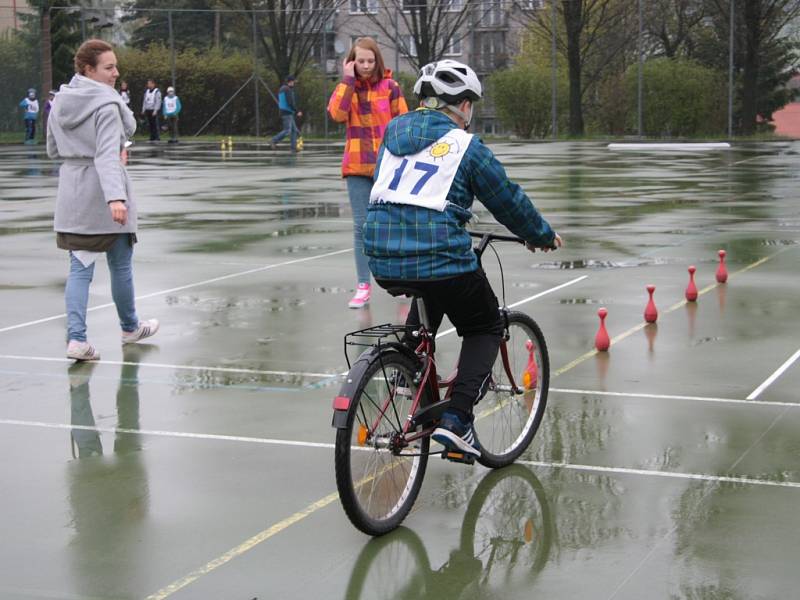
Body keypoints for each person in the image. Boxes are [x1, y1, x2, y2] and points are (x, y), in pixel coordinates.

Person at [363, 60, 563, 457]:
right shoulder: (466, 146)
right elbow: (507, 199)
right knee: (484, 325)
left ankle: (408, 367)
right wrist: (539, 235)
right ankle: (458, 422)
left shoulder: (391, 133)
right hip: (440, 254)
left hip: (381, 254)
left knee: (429, 284)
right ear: (464, 105)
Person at [47, 38, 159, 361]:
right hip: (103, 194)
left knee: (80, 268)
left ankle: (77, 340)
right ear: (88, 70)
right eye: (109, 67)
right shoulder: (108, 106)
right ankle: (129, 328)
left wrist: (76, 155)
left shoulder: (59, 102)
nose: (115, 73)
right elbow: (107, 156)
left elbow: (53, 150)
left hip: (72, 194)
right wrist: (116, 199)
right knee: (121, 264)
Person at [328, 37, 408, 309]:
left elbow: (403, 123)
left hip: (388, 167)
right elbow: (336, 114)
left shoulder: (391, 87)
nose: (365, 65)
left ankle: (401, 283)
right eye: (360, 61)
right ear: (352, 61)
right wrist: (347, 80)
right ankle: (363, 286)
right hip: (356, 166)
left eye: (369, 61)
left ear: (377, 61)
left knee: (394, 225)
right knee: (362, 227)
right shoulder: (347, 89)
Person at [270, 75, 302, 151]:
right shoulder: (287, 89)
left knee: (294, 131)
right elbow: (290, 102)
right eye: (294, 82)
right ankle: (274, 140)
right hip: (287, 112)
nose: (294, 83)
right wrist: (297, 111)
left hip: (286, 111)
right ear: (290, 81)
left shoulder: (283, 88)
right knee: (287, 130)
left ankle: (294, 148)